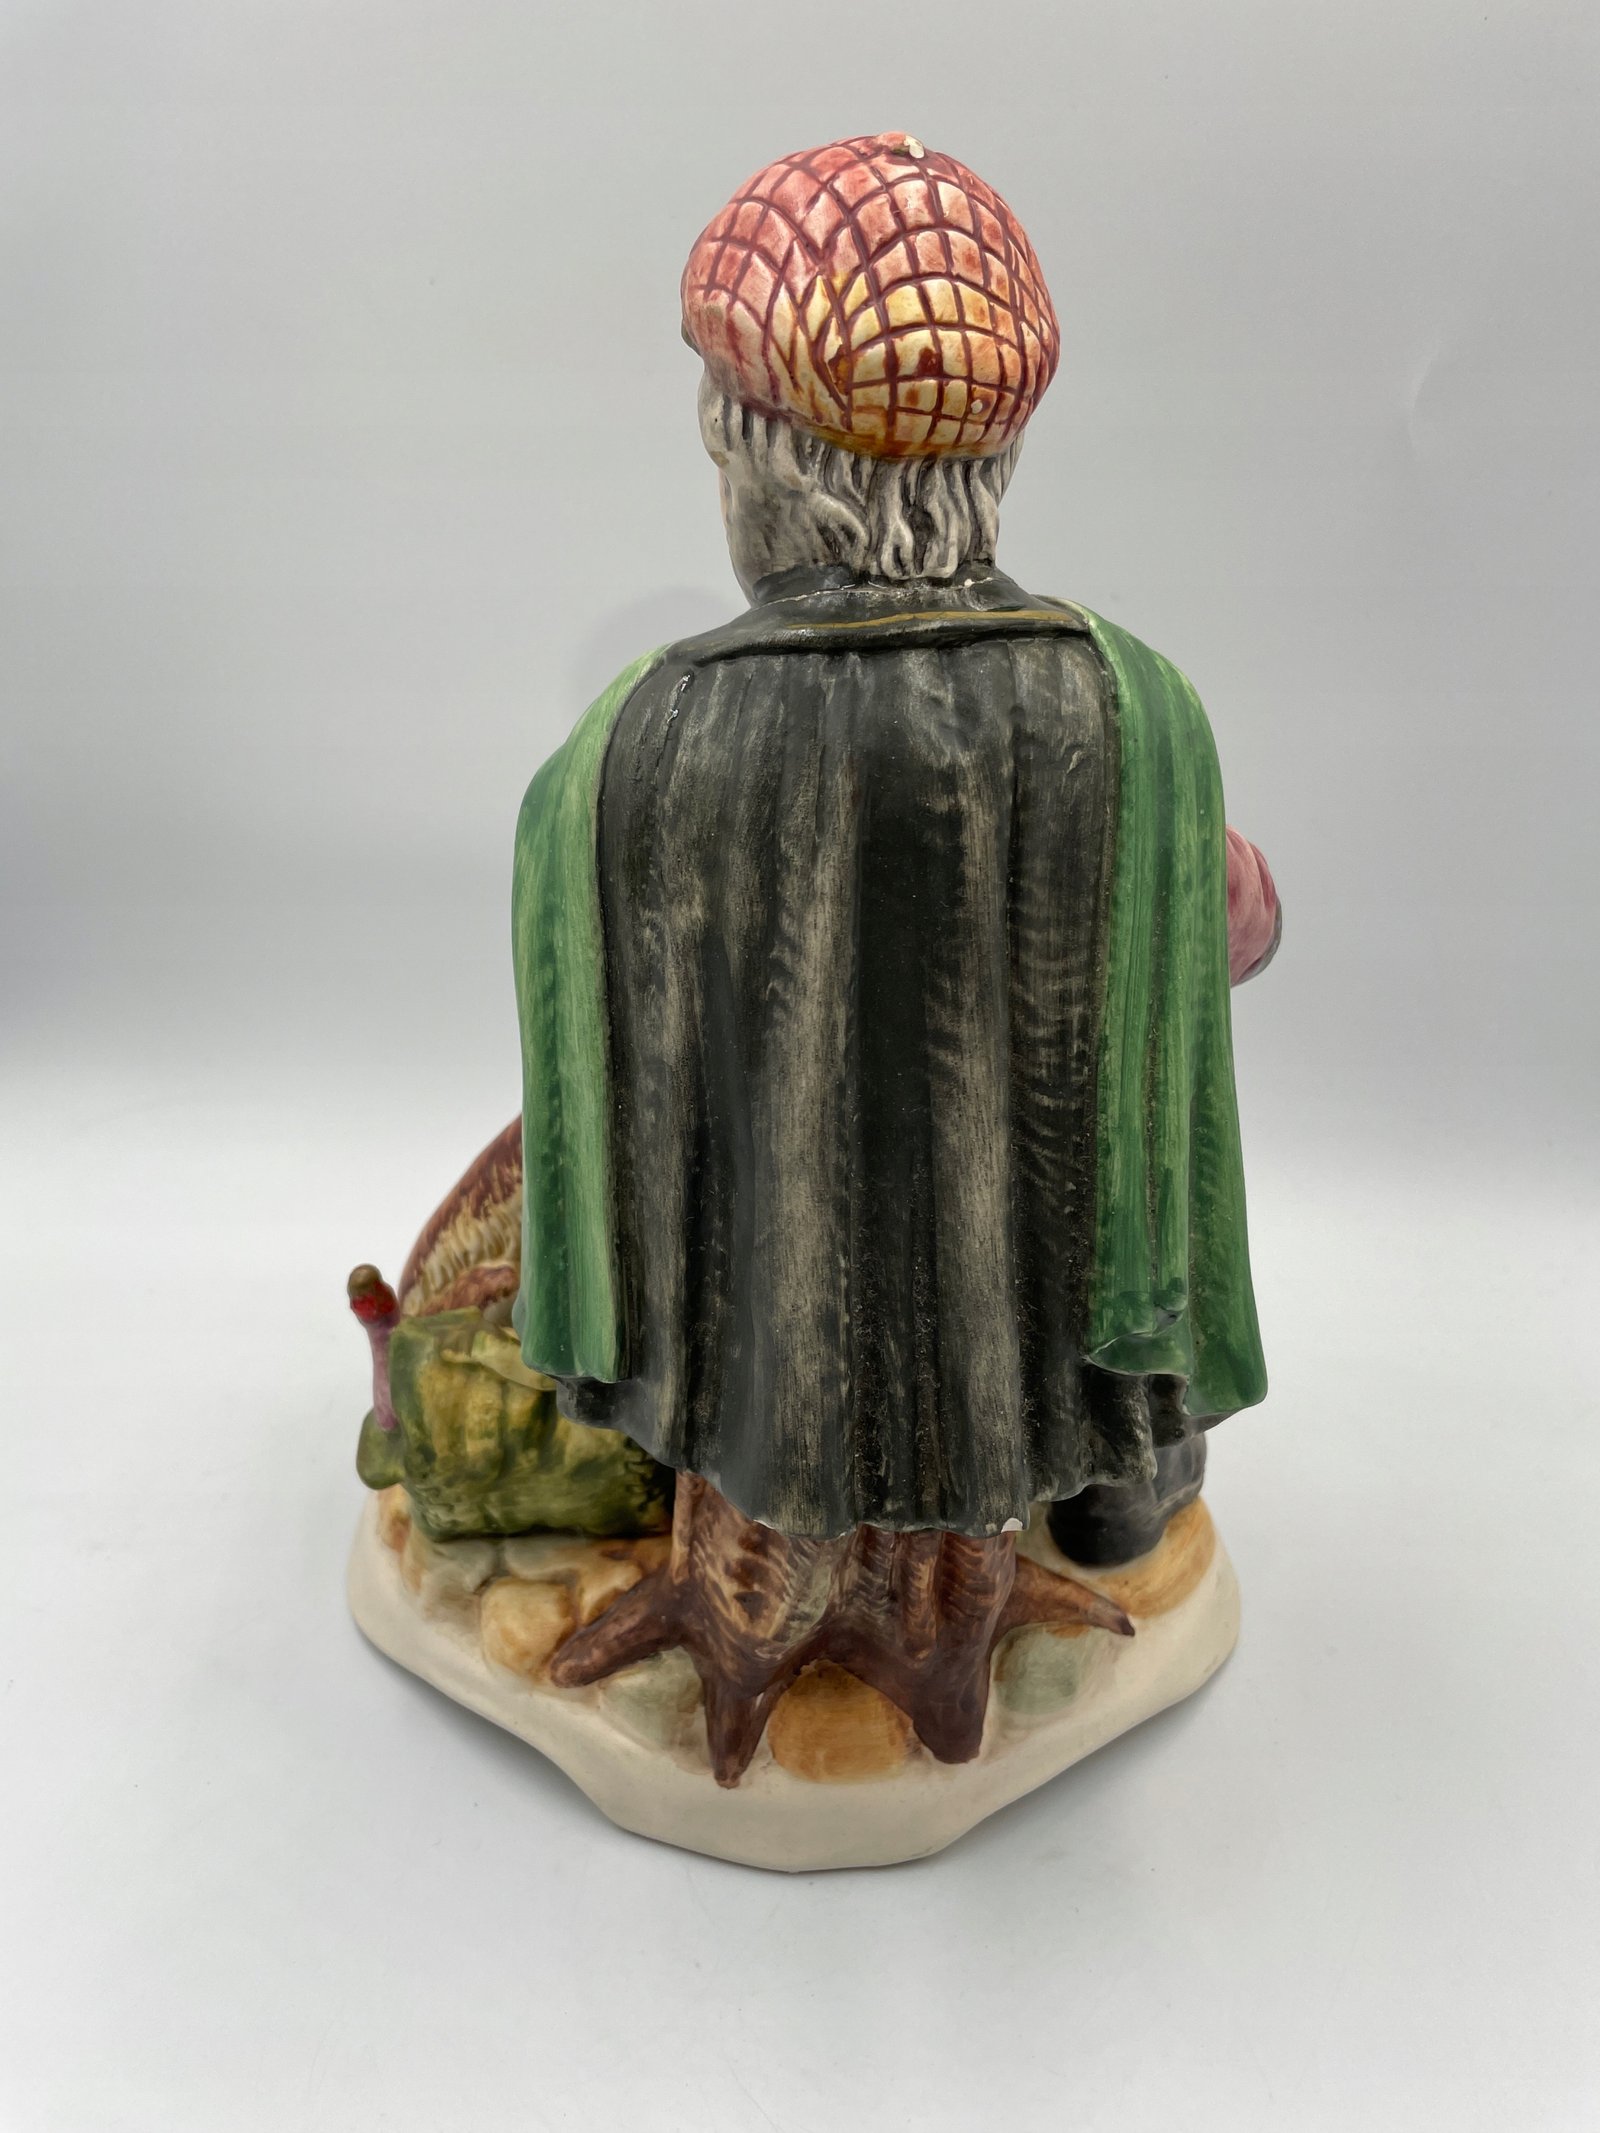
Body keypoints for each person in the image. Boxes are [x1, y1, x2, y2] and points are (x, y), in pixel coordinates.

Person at [509, 134, 1281, 1770]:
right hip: (1019, 1325)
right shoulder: (1137, 710)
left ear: (760, 458)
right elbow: (1222, 935)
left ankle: (812, 1568)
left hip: (760, 1341)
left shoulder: (634, 742)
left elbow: (606, 1074)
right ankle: (1012, 1527)